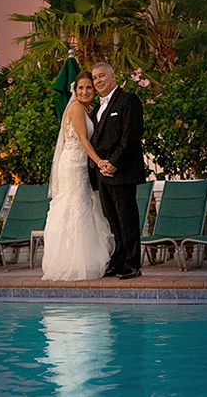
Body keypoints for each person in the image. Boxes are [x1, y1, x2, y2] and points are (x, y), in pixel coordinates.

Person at [42, 72, 114, 281]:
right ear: (75, 90)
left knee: (83, 207)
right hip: (74, 164)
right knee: (74, 207)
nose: (84, 91)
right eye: (80, 88)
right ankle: (70, 263)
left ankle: (86, 261)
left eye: (89, 88)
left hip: (81, 164)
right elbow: (83, 139)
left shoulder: (88, 110)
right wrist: (100, 161)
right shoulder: (75, 108)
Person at [89, 62, 146, 280]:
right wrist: (98, 165)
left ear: (113, 76)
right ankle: (119, 261)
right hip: (101, 174)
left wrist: (114, 163)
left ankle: (132, 264)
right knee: (112, 221)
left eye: (102, 76)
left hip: (121, 172)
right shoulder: (97, 107)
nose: (98, 81)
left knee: (127, 219)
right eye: (94, 78)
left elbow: (130, 136)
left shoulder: (128, 100)